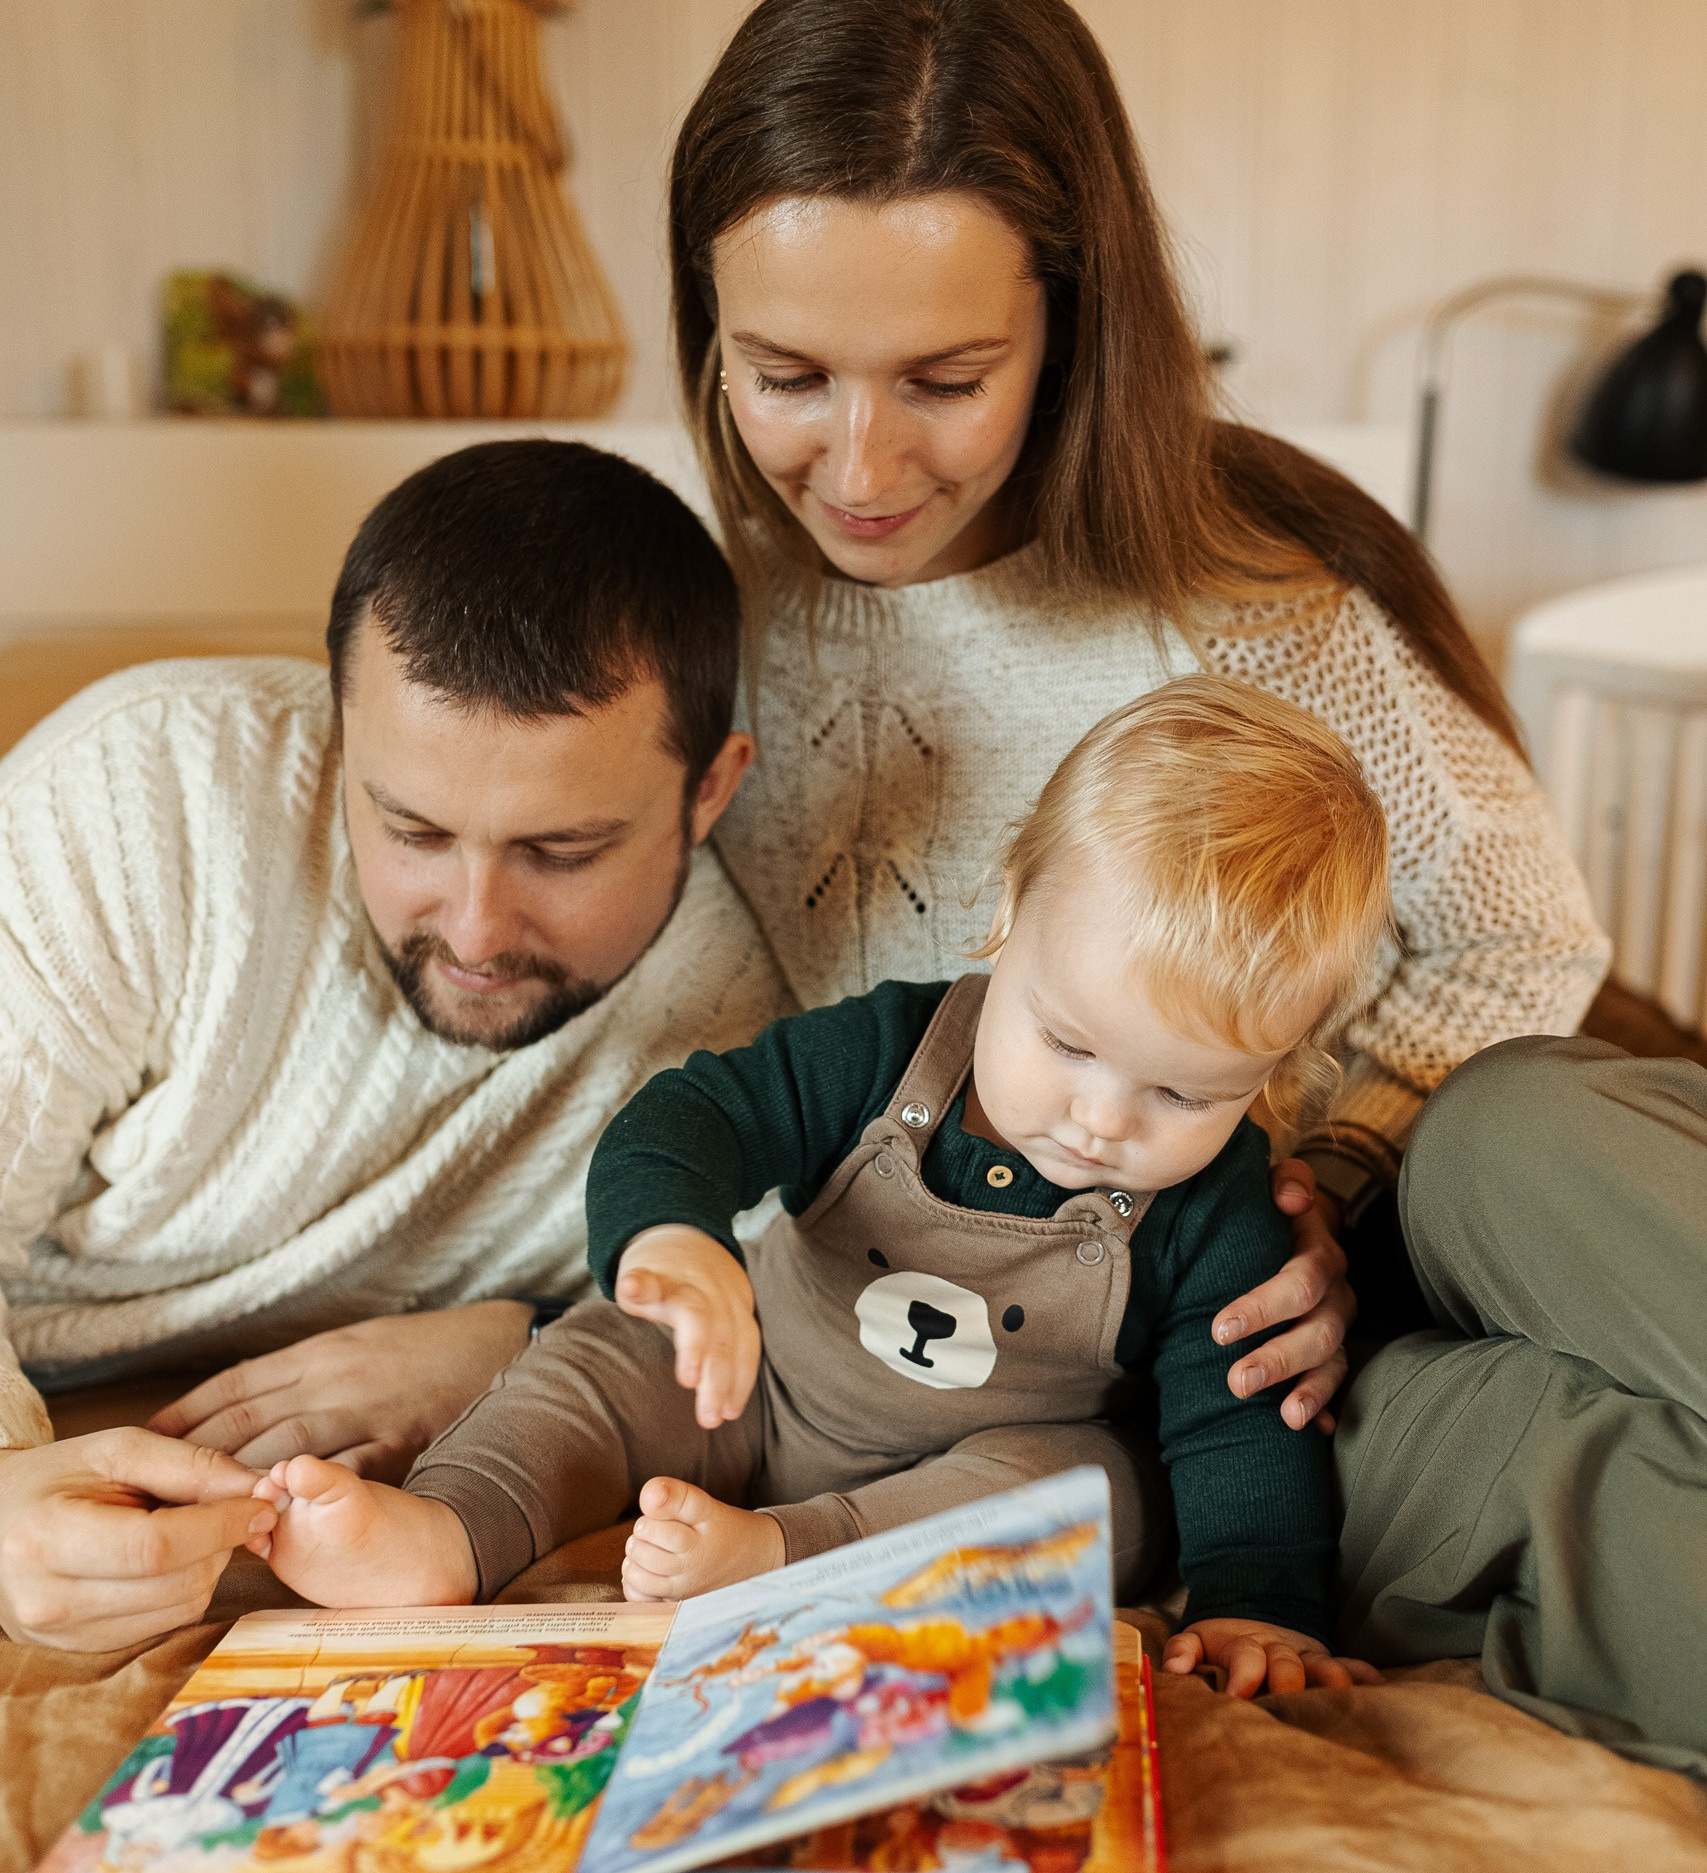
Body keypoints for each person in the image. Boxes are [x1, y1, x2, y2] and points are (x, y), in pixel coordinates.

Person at [667, 0, 1608, 1429]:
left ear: (1071, 327)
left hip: (1260, 1330)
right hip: (965, 1367)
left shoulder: (1249, 602)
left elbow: (1517, 938)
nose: (854, 472)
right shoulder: (709, 629)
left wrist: (1338, 1189)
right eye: (785, 374)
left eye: (943, 379)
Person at [250, 683, 1385, 1702]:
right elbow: (692, 1116)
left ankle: (780, 1558)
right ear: (1005, 915)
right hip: (756, 1385)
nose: (1101, 1119)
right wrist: (673, 1240)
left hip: (976, 1471)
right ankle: (452, 1526)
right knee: (605, 1356)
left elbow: (1243, 1429)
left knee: (1088, 1492)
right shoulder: (885, 1049)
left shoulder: (1226, 1213)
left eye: (1183, 1095)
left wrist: (1261, 1606)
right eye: (1068, 1043)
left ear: (1271, 1075)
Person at [0, 440, 785, 1649]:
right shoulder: (144, 800)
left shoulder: (753, 1028)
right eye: (410, 827)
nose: (474, 928)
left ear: (711, 791)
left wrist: (515, 1342)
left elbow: (805, 1345)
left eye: (560, 852)